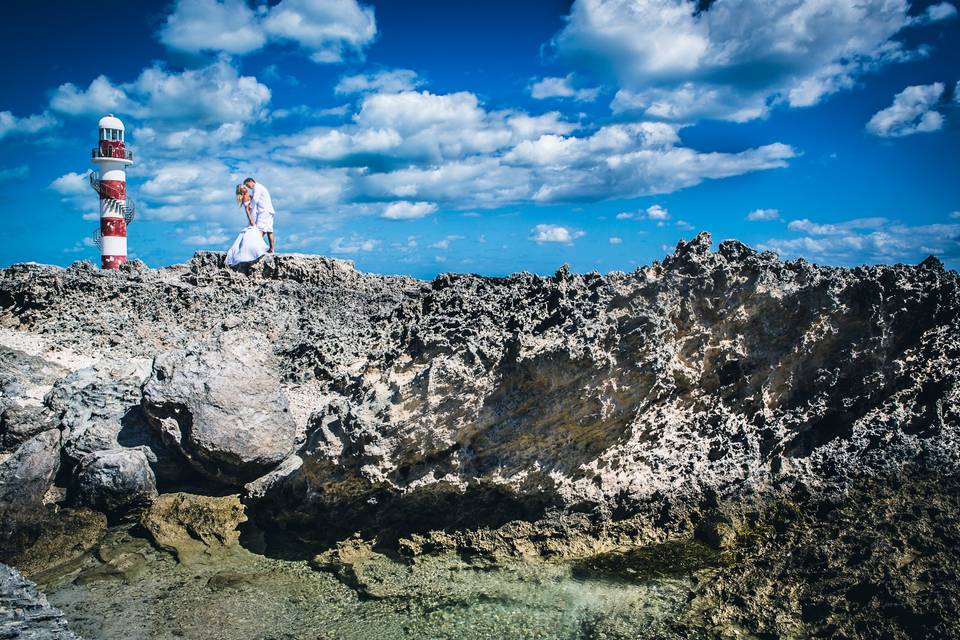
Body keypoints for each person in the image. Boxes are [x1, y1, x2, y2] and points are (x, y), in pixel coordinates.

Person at [225, 184, 267, 266]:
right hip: (252, 216)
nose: (245, 188)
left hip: (256, 214)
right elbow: (247, 211)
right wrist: (251, 220)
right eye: (243, 188)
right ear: (241, 191)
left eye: (244, 186)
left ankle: (256, 250)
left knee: (257, 232)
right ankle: (254, 251)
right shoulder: (245, 197)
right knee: (253, 232)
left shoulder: (250, 195)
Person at [243, 177, 275, 254]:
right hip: (269, 211)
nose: (248, 187)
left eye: (248, 185)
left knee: (259, 230)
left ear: (251, 181)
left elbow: (255, 200)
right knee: (269, 231)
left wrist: (249, 208)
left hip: (264, 212)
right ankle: (271, 249)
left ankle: (256, 249)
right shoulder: (260, 187)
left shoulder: (257, 188)